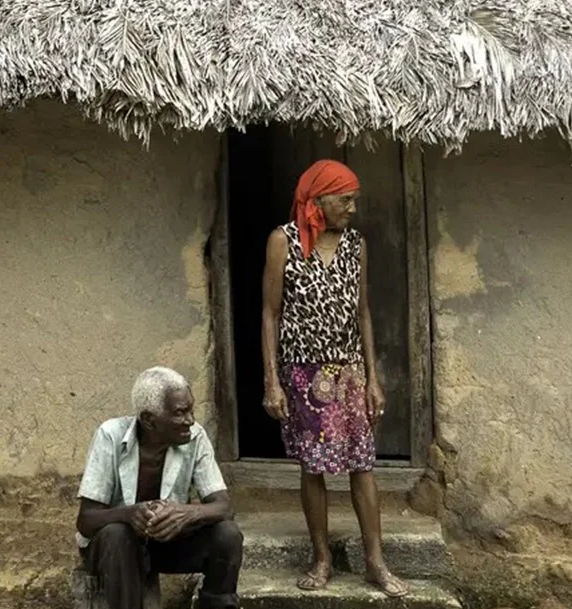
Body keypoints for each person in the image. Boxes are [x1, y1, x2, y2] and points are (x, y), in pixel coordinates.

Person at [260, 158, 408, 597]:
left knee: (363, 465)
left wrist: (373, 377)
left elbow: (363, 312)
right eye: (345, 199)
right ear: (318, 199)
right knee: (313, 467)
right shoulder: (282, 241)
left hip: (348, 372)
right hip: (303, 373)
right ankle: (321, 558)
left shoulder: (355, 244)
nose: (352, 208)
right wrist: (271, 380)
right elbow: (270, 313)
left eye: (354, 200)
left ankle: (375, 562)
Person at [75, 366, 244, 609]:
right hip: (114, 553)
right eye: (180, 413)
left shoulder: (195, 437)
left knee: (227, 535)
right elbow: (86, 520)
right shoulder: (110, 435)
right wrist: (129, 514)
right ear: (149, 420)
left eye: (191, 410)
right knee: (117, 534)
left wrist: (187, 513)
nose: (190, 420)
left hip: (166, 545)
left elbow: (224, 507)